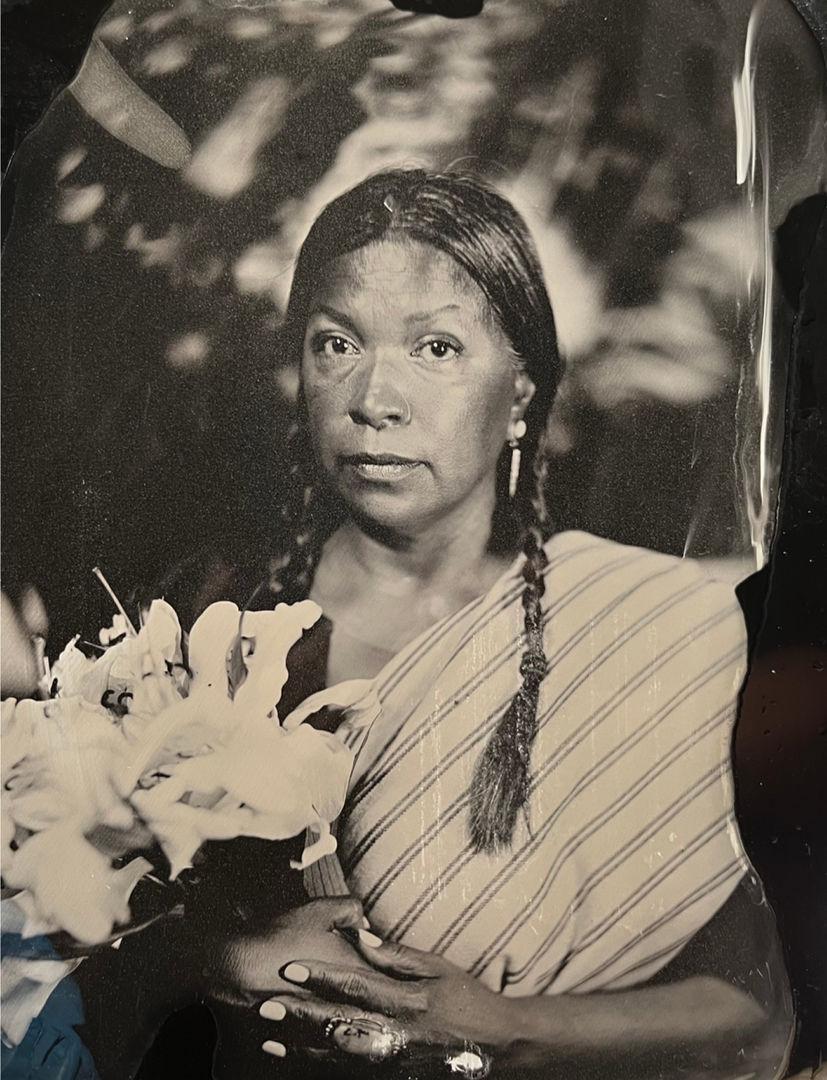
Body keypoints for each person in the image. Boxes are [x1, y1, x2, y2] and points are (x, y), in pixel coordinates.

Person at [2, 169, 793, 1079]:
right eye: (337, 343)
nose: (374, 397)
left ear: (522, 392)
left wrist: (501, 1025)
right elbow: (77, 939)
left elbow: (757, 1008)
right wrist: (205, 953)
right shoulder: (206, 614)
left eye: (437, 348)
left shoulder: (649, 630)